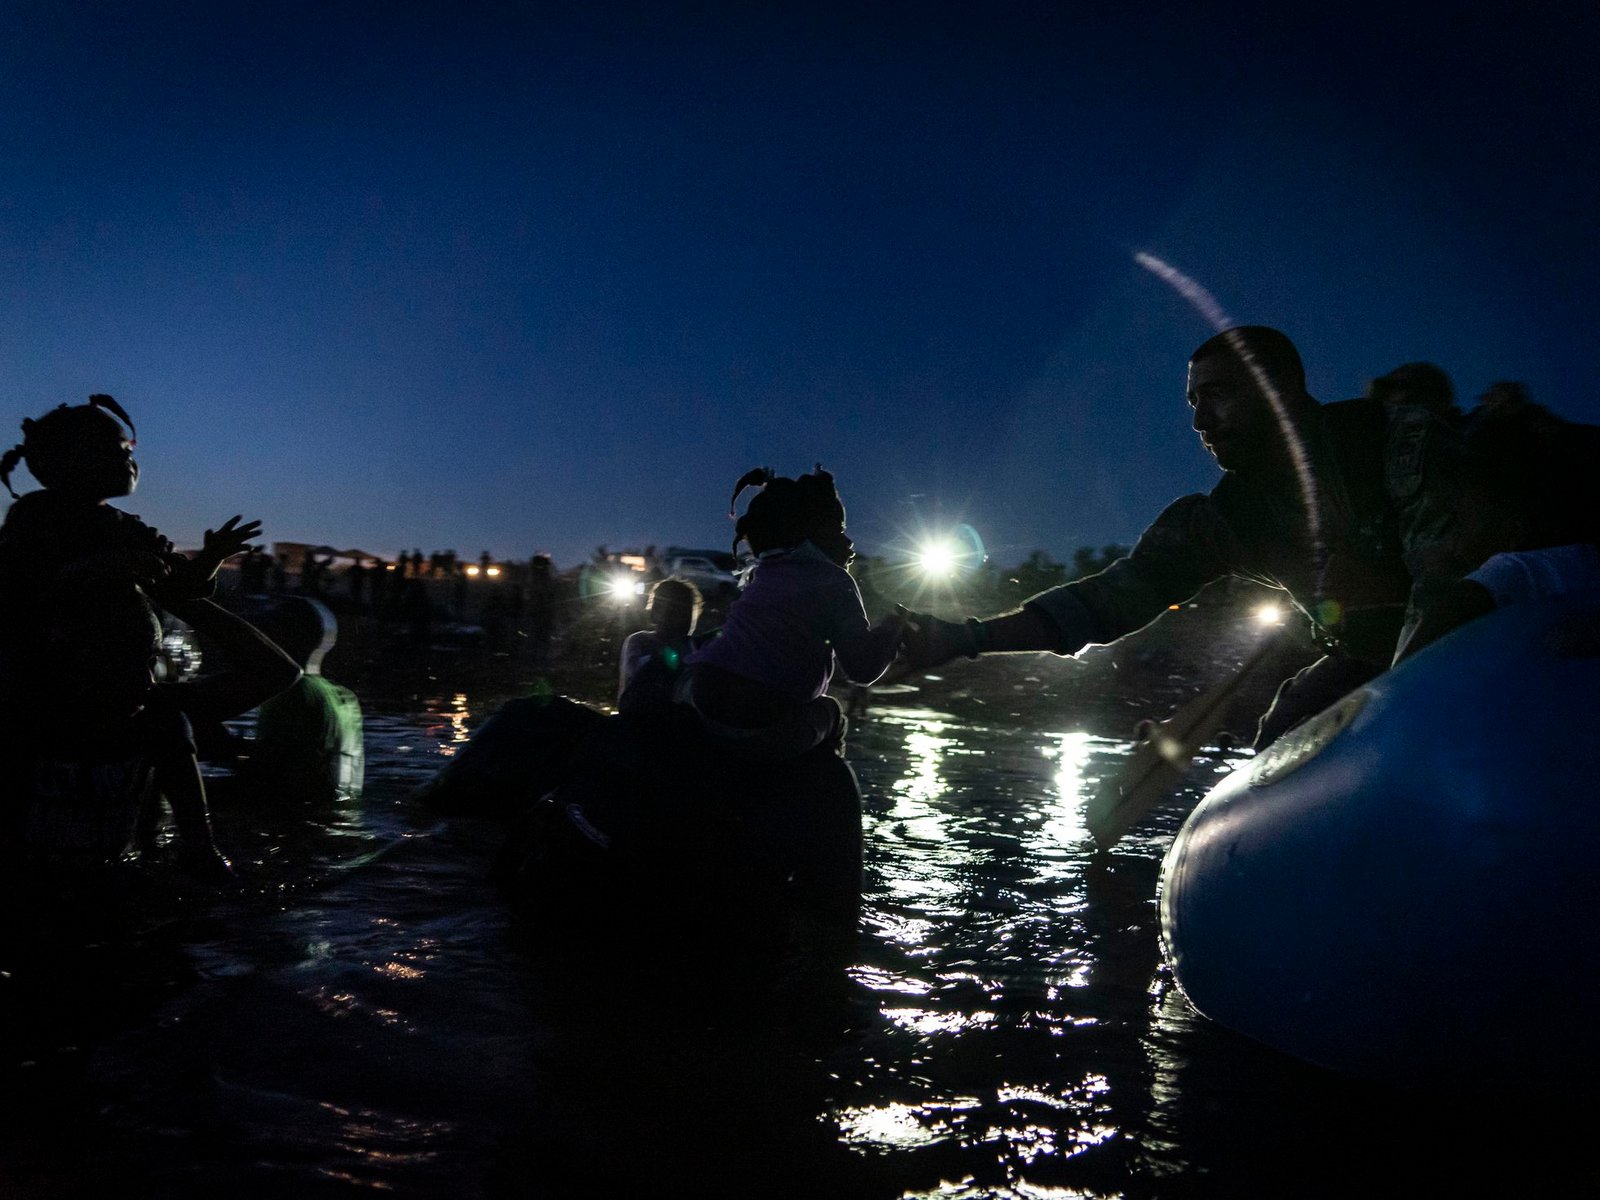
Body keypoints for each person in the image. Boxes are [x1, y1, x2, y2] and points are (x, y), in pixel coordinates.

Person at [901, 326, 1488, 747]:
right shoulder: (1225, 521)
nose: (1200, 422)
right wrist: (964, 636)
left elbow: (1450, 589)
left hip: (1491, 641)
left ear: (1280, 387)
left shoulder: (1401, 442)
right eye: (1193, 401)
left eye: (1220, 394)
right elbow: (1106, 603)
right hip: (1377, 669)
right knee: (1286, 725)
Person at [676, 465, 904, 758]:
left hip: (702, 698)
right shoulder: (835, 580)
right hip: (760, 727)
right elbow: (862, 669)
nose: (850, 543)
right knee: (831, 711)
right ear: (810, 536)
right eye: (839, 530)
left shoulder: (765, 574)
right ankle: (819, 794)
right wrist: (894, 628)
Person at [244, 597, 364, 803]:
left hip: (297, 819)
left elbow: (265, 776)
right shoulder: (345, 697)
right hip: (337, 816)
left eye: (267, 633)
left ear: (285, 637)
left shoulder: (291, 691)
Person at [617, 577, 702, 711]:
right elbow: (636, 669)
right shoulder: (640, 640)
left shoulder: (693, 647)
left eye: (688, 612)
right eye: (676, 610)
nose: (683, 619)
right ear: (654, 613)